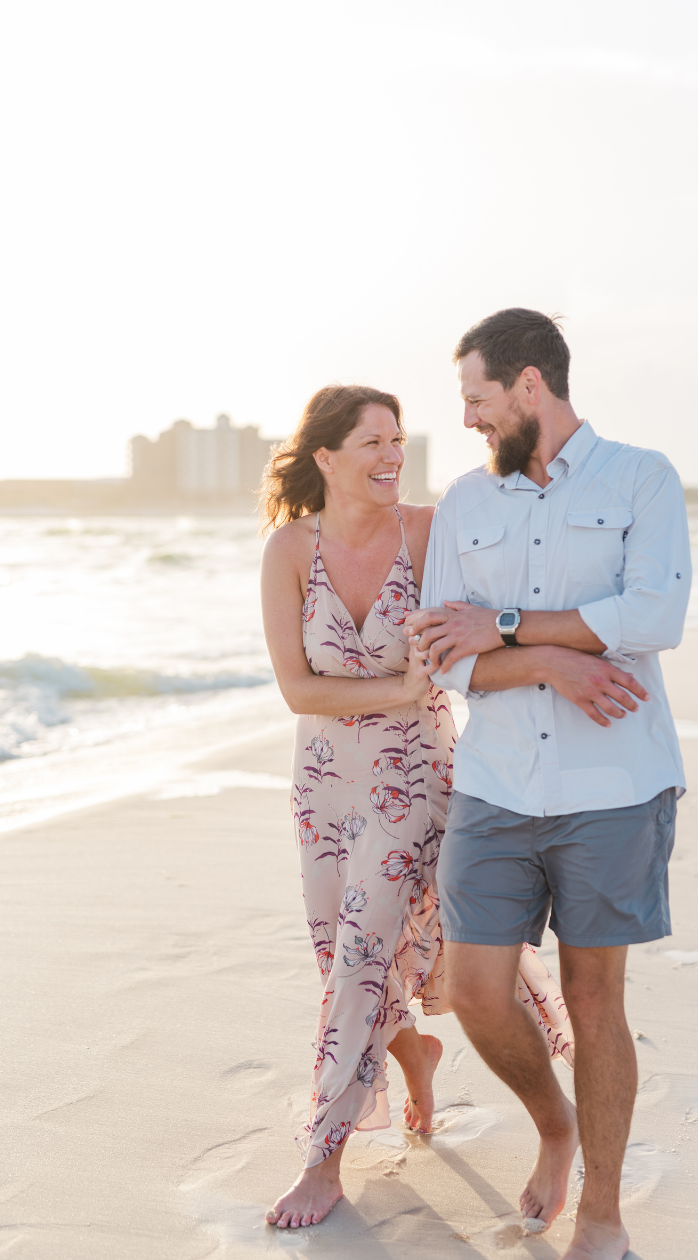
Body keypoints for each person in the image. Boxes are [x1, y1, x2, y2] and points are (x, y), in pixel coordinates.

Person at [256, 385, 578, 1229]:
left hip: (416, 775)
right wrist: (394, 682)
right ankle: (417, 1058)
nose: (393, 455)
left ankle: (322, 1160)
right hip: (324, 785)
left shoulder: (431, 533)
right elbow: (296, 689)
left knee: (366, 953)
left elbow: (510, 595)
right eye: (372, 442)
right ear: (325, 457)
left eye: (398, 440)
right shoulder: (290, 549)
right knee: (345, 958)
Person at [408, 308, 686, 1260]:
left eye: (480, 401)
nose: (473, 422)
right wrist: (552, 663)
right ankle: (554, 1121)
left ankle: (601, 1214)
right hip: (497, 783)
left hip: (614, 785)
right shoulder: (465, 503)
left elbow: (653, 614)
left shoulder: (641, 476)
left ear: (532, 386)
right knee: (477, 991)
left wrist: (515, 625)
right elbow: (444, 651)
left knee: (594, 999)